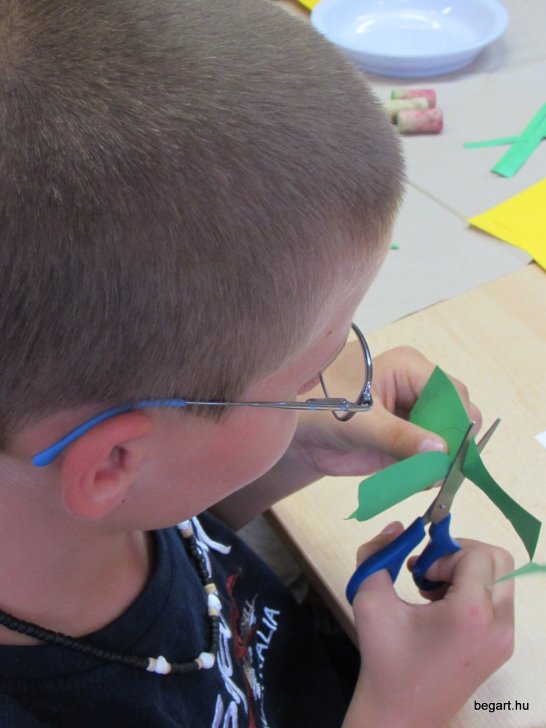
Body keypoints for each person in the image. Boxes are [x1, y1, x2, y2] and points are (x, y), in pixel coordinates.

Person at [0, 0, 514, 725]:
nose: (337, 388)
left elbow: (166, 523)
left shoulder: (70, 504)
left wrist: (292, 452)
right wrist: (404, 709)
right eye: (305, 380)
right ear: (115, 459)